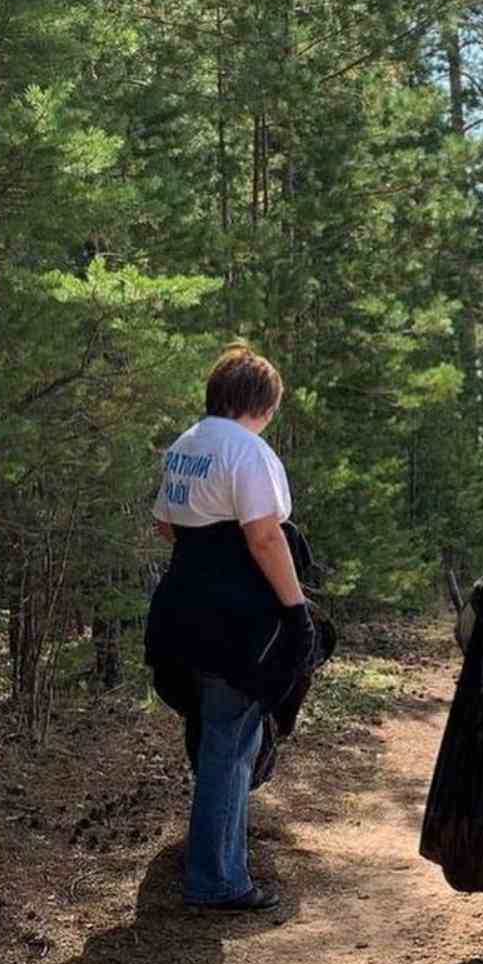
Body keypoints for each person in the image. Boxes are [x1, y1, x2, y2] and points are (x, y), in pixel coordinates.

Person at [147, 346, 316, 913]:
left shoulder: (185, 445)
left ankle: (218, 862)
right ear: (259, 403)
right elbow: (265, 536)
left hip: (179, 610)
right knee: (229, 746)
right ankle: (216, 880)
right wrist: (296, 611)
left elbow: (166, 527)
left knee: (219, 735)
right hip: (234, 621)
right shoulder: (247, 450)